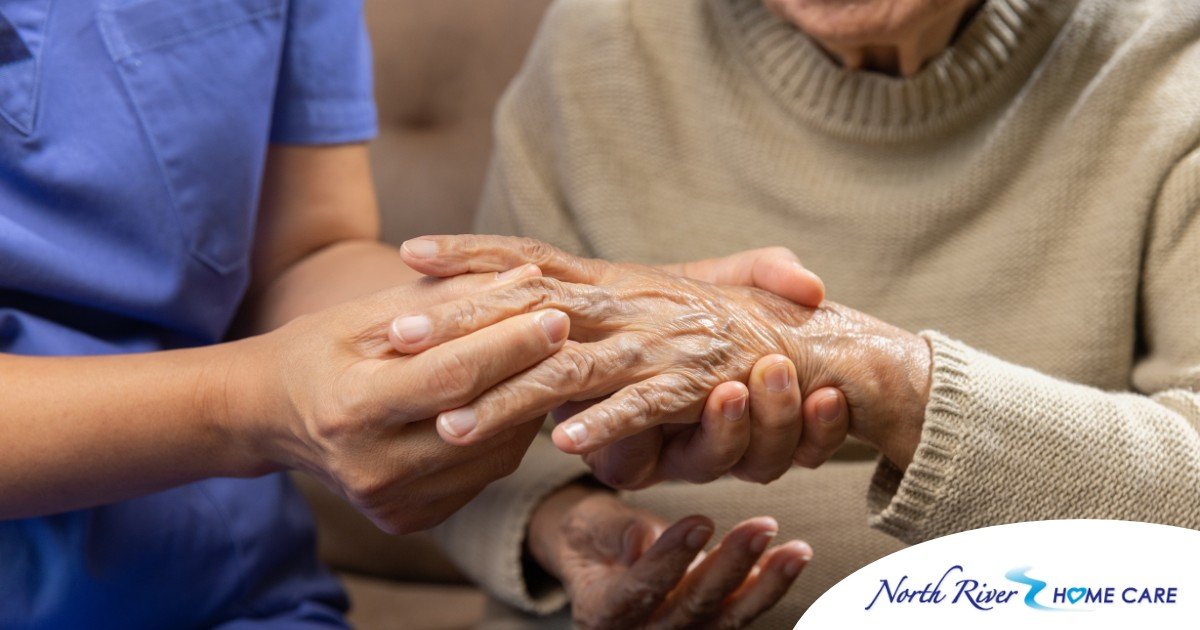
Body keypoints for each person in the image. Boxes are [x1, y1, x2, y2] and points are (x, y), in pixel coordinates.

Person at [0, 1, 828, 627]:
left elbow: (302, 256)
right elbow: (263, 388)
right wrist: (248, 404)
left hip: (236, 592)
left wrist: (577, 306)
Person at [405, 0, 1200, 626]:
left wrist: (883, 378)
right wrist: (565, 528)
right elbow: (459, 430)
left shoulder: (1169, 55)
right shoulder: (600, 39)